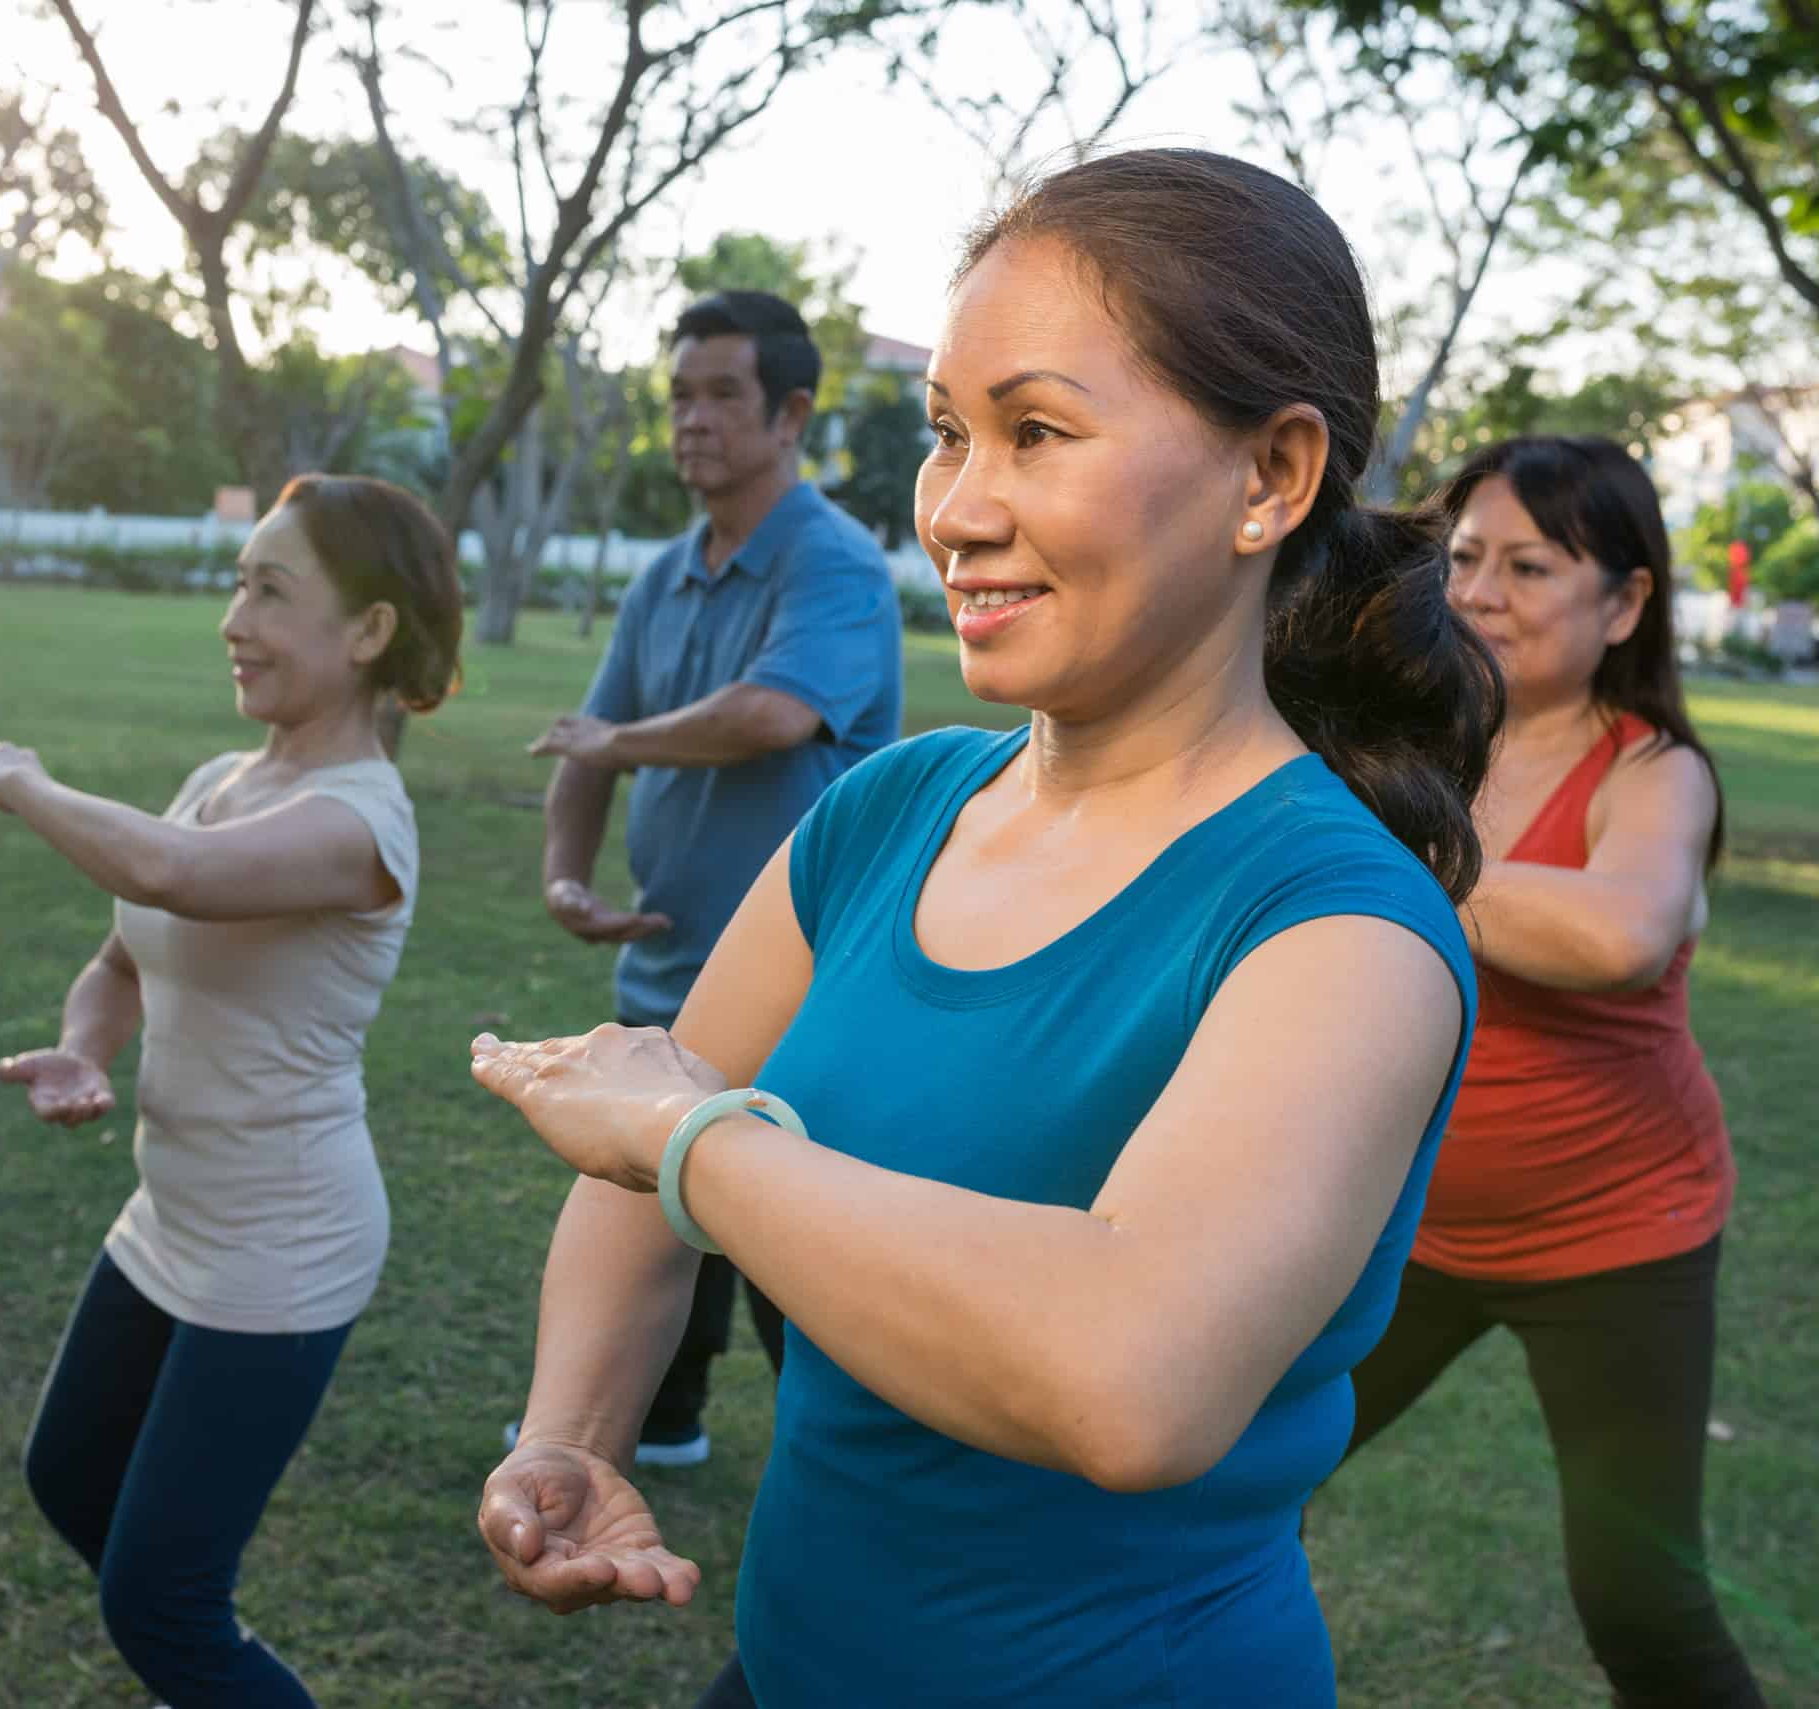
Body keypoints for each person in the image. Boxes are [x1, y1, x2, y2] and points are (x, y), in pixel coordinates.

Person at [464, 148, 1503, 1707]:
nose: (954, 508)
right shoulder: (887, 812)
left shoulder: (1344, 928)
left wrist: (701, 1145)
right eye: (950, 434)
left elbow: (1132, 1377)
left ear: (1271, 478)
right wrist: (570, 1431)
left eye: (1037, 432)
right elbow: (632, 1177)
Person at [0, 474, 463, 1709]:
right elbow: (124, 952)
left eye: (270, 591)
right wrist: (87, 1047)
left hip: (280, 1246)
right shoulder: (221, 775)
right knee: (72, 1476)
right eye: (237, 582)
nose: (233, 617)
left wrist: (28, 782)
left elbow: (168, 873)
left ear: (369, 630)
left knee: (160, 1599)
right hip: (169, 1218)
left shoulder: (360, 824)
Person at [1330, 436, 1764, 1707]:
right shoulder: (1398, 738)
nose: (1478, 592)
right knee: (1227, 1475)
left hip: (1617, 1237)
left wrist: (1397, 865)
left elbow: (1623, 932)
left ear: (1623, 603)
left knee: (1641, 1600)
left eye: (1529, 566)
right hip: (1407, 1227)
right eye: (1463, 557)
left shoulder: (1651, 768)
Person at [511, 287, 904, 1468]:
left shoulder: (831, 562)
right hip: (668, 959)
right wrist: (566, 874)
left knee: (790, 1229)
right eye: (678, 396)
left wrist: (613, 746)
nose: (691, 420)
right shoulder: (664, 573)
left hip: (807, 980)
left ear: (789, 413)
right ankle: (662, 1420)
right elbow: (593, 734)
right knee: (642, 1199)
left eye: (720, 394)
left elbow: (774, 714)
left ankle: (849, 1457)